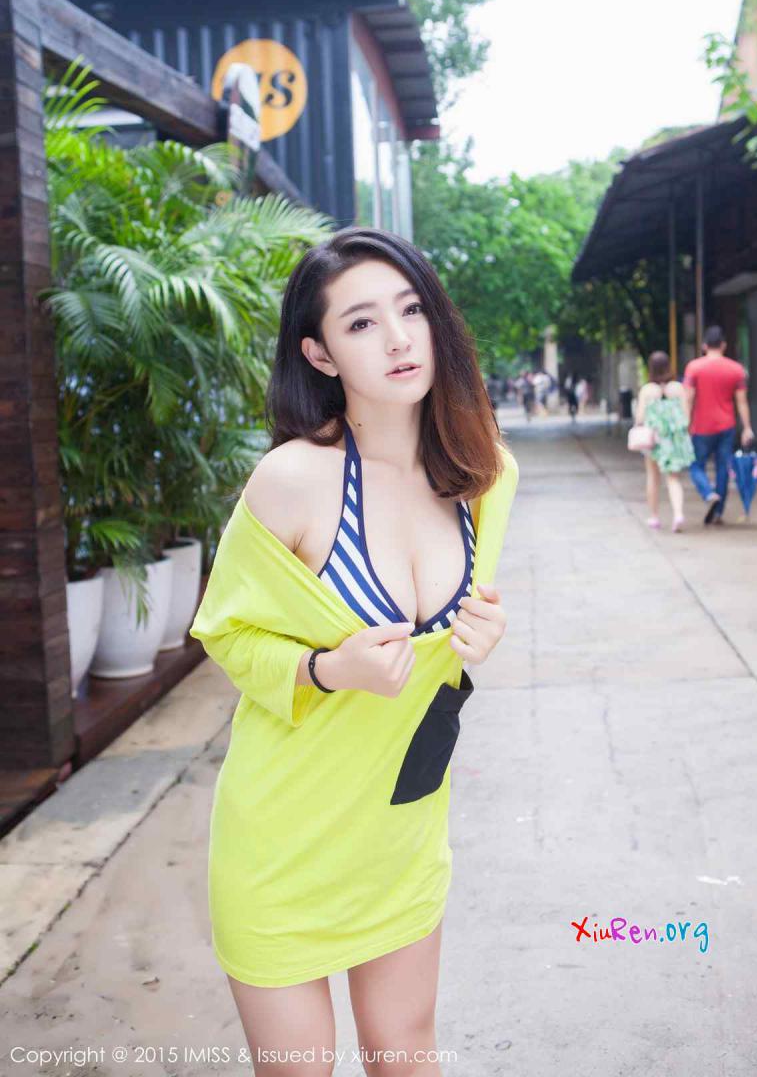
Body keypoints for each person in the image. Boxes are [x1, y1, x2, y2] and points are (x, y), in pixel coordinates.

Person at [189, 226, 519, 1077]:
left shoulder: (480, 473)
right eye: (362, 323)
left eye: (412, 310)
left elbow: (459, 631)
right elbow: (226, 630)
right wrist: (328, 669)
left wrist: (480, 632)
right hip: (284, 836)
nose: (399, 338)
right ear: (320, 353)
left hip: (401, 831)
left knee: (406, 1055)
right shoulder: (295, 478)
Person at [683, 325, 754, 525]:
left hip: (701, 427)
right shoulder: (736, 369)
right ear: (723, 345)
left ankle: (708, 493)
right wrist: (747, 428)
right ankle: (718, 512)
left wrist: (685, 425)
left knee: (696, 465)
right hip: (726, 426)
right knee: (723, 468)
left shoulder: (694, 368)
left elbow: (688, 399)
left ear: (704, 346)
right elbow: (742, 402)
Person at [634, 351, 695, 532]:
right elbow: (686, 415)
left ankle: (654, 517)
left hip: (654, 439)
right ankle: (678, 514)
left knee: (653, 477)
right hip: (673, 440)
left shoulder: (647, 390)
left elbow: (640, 417)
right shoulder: (678, 388)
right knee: (673, 478)